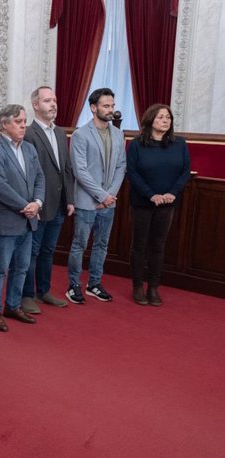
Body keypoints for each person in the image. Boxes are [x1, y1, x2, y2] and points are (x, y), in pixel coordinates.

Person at [0, 105, 45, 332]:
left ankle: (13, 305)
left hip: (29, 220)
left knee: (22, 267)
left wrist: (37, 203)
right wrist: (25, 206)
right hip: (6, 221)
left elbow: (40, 178)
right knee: (1, 269)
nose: (23, 126)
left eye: (24, 121)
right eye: (18, 122)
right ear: (4, 124)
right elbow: (0, 187)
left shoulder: (29, 149)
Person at [66, 88, 126, 304]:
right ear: (93, 108)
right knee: (79, 244)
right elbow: (80, 171)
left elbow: (121, 166)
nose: (110, 110)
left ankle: (94, 283)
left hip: (109, 202)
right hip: (86, 201)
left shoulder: (118, 134)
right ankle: (73, 286)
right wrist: (101, 195)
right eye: (106, 106)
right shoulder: (81, 135)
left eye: (112, 106)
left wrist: (110, 196)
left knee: (102, 244)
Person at [127, 104, 190, 306]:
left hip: (168, 204)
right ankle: (138, 286)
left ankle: (153, 287)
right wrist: (151, 194)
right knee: (140, 245)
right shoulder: (137, 144)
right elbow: (132, 172)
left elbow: (185, 172)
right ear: (151, 120)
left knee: (158, 245)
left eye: (168, 118)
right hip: (143, 202)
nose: (165, 121)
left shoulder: (179, 144)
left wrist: (172, 193)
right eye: (161, 117)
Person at [21, 86, 75, 313]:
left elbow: (67, 169)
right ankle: (26, 295)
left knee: (48, 251)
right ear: (35, 105)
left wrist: (70, 199)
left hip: (60, 205)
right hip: (39, 204)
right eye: (47, 101)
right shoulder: (29, 133)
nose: (53, 104)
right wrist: (36, 201)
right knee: (31, 252)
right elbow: (29, 172)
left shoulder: (61, 133)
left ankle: (43, 290)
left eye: (54, 100)